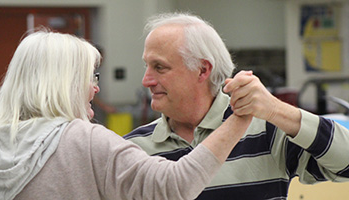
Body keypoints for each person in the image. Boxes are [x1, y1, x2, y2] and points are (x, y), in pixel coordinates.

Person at [0, 30, 253, 200]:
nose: (95, 89)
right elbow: (174, 186)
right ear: (65, 82)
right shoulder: (83, 140)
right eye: (91, 76)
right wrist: (239, 118)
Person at [123, 12, 349, 199]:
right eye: (147, 66)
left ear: (203, 70)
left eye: (159, 67)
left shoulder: (267, 130)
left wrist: (275, 109)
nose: (146, 80)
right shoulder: (133, 149)